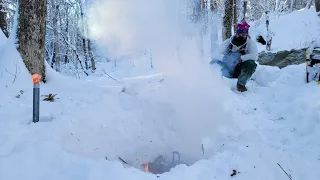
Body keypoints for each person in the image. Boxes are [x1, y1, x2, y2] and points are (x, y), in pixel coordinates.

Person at [210, 21, 259, 92]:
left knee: (251, 64)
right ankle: (213, 83)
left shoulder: (250, 43)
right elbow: (214, 54)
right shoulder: (228, 42)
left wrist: (240, 59)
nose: (241, 36)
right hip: (227, 68)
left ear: (247, 35)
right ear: (236, 33)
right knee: (213, 63)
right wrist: (224, 59)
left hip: (241, 69)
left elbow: (255, 56)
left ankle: (241, 84)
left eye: (244, 34)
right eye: (239, 34)